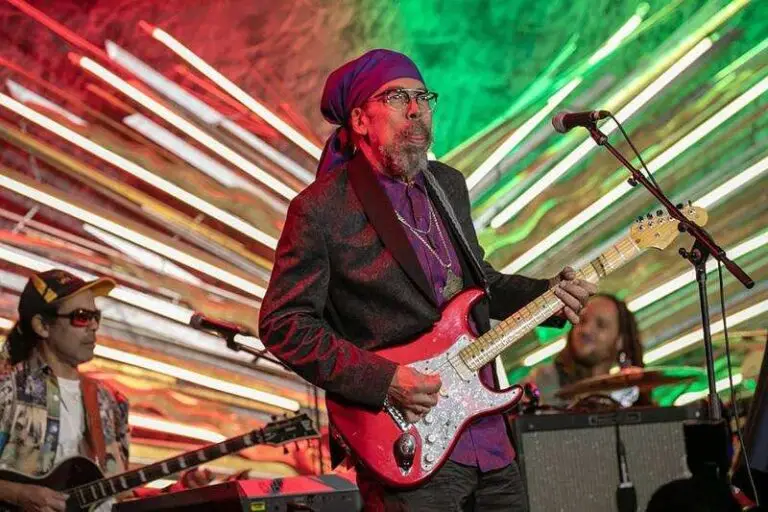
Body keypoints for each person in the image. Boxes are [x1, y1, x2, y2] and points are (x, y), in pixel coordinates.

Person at [258, 49, 597, 511]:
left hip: (486, 435)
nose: (416, 109)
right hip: (407, 439)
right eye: (397, 97)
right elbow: (284, 323)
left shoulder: (448, 184)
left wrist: (548, 294)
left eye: (423, 97)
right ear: (360, 120)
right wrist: (385, 380)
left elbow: (479, 286)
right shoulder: (321, 209)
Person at [0, 269, 210, 512]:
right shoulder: (8, 389)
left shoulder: (109, 402)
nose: (93, 326)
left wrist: (181, 491)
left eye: (95, 316)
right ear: (42, 326)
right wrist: (19, 494)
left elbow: (116, 497)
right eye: (81, 317)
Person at [527, 293, 648, 408]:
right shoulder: (543, 379)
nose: (586, 330)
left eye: (601, 325)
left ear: (620, 340)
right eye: (582, 320)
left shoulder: (625, 395)